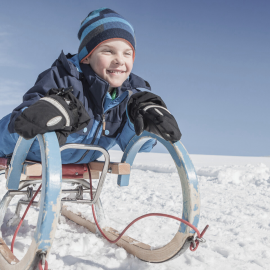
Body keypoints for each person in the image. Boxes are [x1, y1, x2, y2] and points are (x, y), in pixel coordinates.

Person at [0, 8, 181, 164]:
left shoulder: (128, 96)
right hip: (33, 155)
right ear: (86, 57)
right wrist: (46, 110)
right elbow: (20, 126)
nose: (119, 60)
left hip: (83, 162)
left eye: (127, 53)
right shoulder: (62, 78)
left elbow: (132, 145)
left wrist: (142, 124)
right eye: (108, 51)